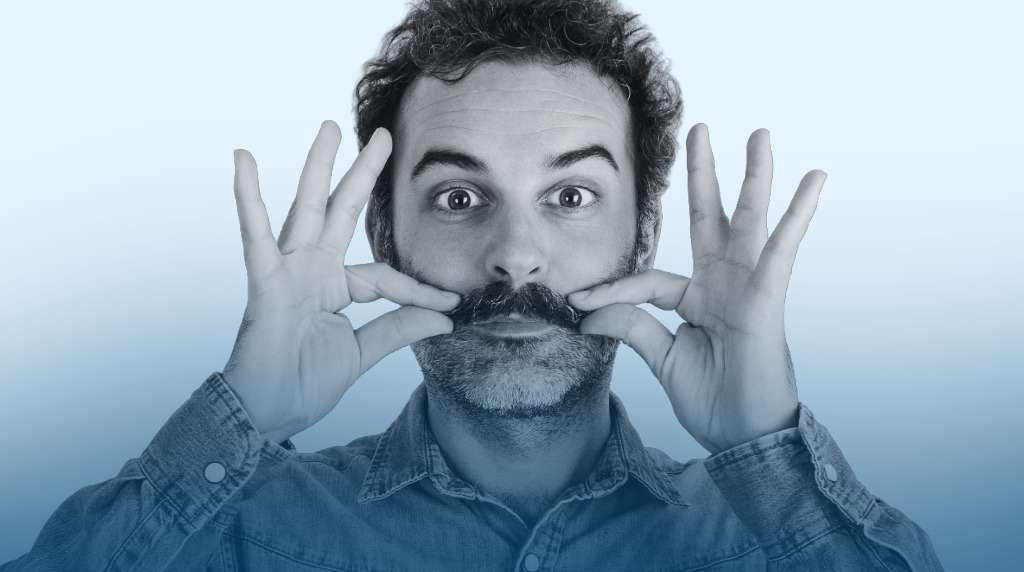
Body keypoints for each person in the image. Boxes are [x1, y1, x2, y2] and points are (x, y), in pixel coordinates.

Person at [2, 0, 944, 570]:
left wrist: (768, 450)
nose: (516, 256)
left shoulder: (767, 538)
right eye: (459, 196)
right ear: (385, 235)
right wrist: (241, 416)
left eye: (571, 195)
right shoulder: (242, 528)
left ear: (643, 236)